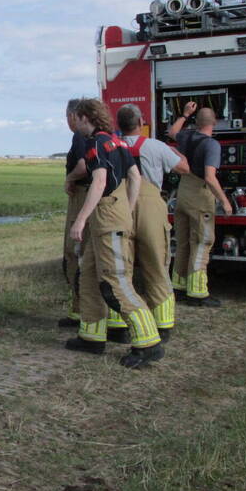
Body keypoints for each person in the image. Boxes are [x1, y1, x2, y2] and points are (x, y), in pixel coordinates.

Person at [66, 99, 165, 369]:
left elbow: (98, 181)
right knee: (88, 276)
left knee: (115, 282)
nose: (73, 123)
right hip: (115, 214)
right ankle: (91, 336)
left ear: (85, 117)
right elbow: (134, 177)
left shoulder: (96, 144)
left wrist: (81, 220)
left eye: (75, 117)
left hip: (106, 217)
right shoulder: (118, 142)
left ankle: (148, 343)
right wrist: (128, 210)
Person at [118, 104, 190, 340]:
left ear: (119, 125)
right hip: (151, 207)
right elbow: (183, 169)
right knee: (157, 265)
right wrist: (178, 152)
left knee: (121, 268)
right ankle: (163, 324)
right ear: (141, 123)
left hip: (119, 208)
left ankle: (121, 323)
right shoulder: (156, 146)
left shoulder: (111, 146)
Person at [167, 102, 233, 307]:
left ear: (196, 122)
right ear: (215, 122)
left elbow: (172, 132)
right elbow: (209, 177)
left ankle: (178, 286)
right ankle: (197, 293)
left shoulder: (186, 136)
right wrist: (224, 201)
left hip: (183, 193)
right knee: (202, 242)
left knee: (184, 241)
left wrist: (184, 114)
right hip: (200, 196)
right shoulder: (212, 145)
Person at [59, 98, 89, 328]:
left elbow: (82, 165)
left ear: (72, 116)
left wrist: (69, 178)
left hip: (81, 196)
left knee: (73, 253)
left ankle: (79, 310)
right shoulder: (101, 136)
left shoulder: (79, 136)